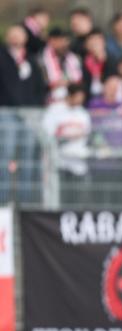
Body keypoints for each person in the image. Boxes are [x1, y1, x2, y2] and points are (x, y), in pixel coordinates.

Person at [0, 25, 46, 203]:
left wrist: (34, 108)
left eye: (19, 34)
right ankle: (3, 201)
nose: (16, 38)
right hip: (7, 113)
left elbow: (39, 88)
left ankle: (25, 201)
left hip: (30, 114)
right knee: (5, 155)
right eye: (12, 34)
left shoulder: (32, 60)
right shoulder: (2, 57)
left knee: (28, 158)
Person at [42, 83, 91, 204]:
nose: (80, 101)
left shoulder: (83, 114)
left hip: (78, 162)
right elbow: (47, 134)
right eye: (78, 97)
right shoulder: (55, 111)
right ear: (70, 96)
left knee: (77, 197)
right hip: (59, 162)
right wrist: (66, 138)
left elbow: (87, 133)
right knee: (60, 197)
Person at [87, 75, 122, 206]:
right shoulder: (95, 105)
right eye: (110, 87)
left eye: (116, 87)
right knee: (99, 196)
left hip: (119, 161)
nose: (113, 90)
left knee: (117, 198)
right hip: (100, 161)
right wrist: (103, 146)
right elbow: (93, 131)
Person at [41, 28, 82, 103]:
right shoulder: (41, 60)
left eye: (65, 41)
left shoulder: (73, 58)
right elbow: (39, 84)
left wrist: (68, 83)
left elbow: (79, 80)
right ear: (51, 41)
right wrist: (55, 84)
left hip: (72, 102)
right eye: (60, 40)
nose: (64, 44)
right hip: (50, 102)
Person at [81, 29, 115, 103]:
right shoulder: (83, 62)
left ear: (104, 42)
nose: (95, 43)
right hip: (89, 100)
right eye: (91, 40)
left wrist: (103, 60)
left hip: (109, 100)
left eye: (98, 40)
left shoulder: (112, 60)